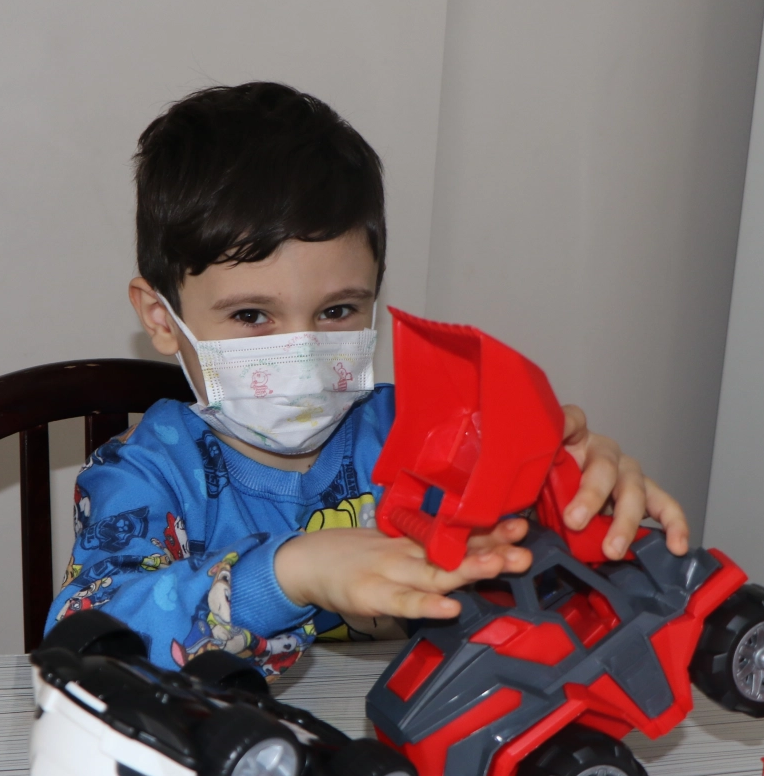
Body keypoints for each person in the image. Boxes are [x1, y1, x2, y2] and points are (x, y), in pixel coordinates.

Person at [45, 82, 688, 676]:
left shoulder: (433, 439)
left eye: (336, 311)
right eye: (252, 315)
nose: (304, 355)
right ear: (162, 317)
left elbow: (565, 593)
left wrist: (573, 499)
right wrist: (289, 573)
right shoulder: (146, 476)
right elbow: (84, 641)